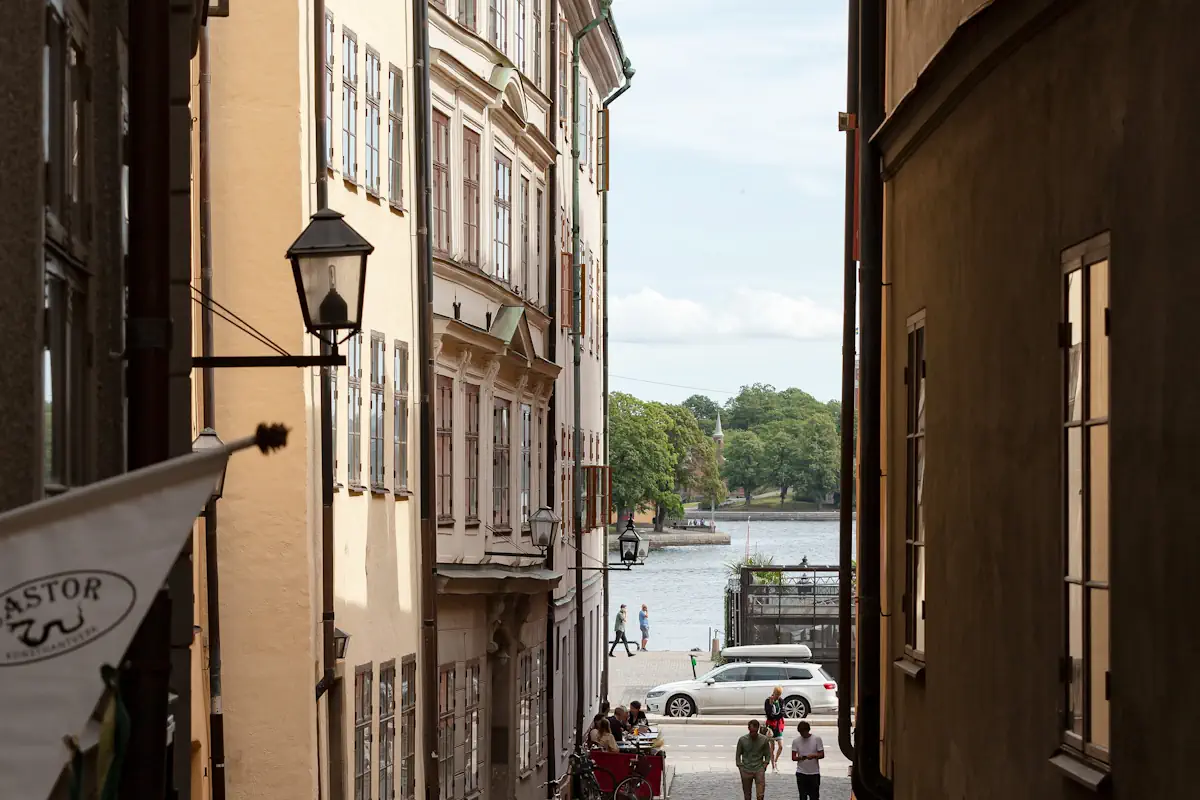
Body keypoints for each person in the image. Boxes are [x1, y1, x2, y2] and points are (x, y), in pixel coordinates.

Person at [735, 719, 772, 800]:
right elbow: (738, 755)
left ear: (758, 729)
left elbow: (768, 754)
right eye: (751, 731)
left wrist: (765, 765)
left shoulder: (764, 740)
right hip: (746, 769)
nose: (753, 734)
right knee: (747, 795)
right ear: (748, 729)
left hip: (759, 769)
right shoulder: (742, 740)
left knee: (760, 795)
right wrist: (740, 767)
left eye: (755, 731)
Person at [791, 720, 825, 800]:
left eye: (804, 732)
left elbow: (822, 754)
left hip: (814, 773)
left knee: (814, 796)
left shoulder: (816, 739)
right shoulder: (796, 741)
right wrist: (800, 757)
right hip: (801, 772)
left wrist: (813, 755)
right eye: (801, 733)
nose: (803, 734)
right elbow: (793, 757)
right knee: (802, 796)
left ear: (808, 730)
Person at [764, 686, 786, 771]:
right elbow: (768, 714)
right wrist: (770, 704)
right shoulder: (768, 700)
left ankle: (776, 761)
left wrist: (775, 716)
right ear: (774, 693)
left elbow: (783, 712)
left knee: (781, 746)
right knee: (771, 747)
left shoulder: (781, 700)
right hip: (770, 726)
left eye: (779, 695)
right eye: (777, 694)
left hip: (778, 726)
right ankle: (773, 765)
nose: (778, 696)